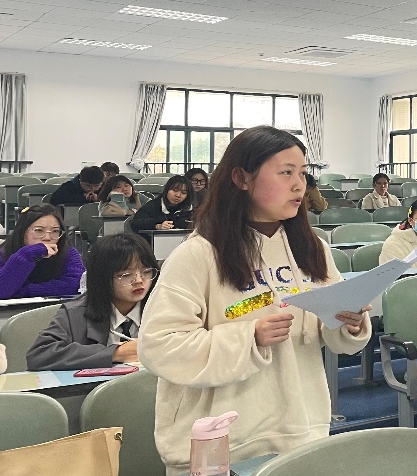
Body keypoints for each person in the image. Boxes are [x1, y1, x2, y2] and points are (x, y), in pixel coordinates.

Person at [140, 126, 370, 474]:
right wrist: (250, 337)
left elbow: (330, 334)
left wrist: (348, 322)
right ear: (241, 178)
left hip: (299, 429)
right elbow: (159, 345)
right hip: (223, 442)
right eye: (286, 173)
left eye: (303, 174)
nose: (299, 185)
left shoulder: (312, 250)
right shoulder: (198, 254)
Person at [27, 234, 156, 371]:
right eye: (126, 275)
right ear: (102, 277)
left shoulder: (161, 307)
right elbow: (39, 355)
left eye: (146, 272)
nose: (139, 281)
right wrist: (115, 353)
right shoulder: (76, 313)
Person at [0, 204, 83, 300]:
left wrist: (24, 292)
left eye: (55, 231)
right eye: (39, 230)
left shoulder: (68, 253)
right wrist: (26, 254)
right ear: (22, 231)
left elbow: (76, 284)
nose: (47, 237)